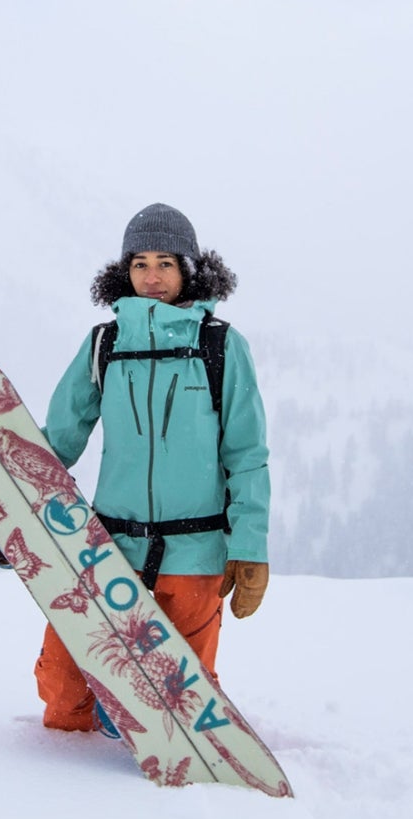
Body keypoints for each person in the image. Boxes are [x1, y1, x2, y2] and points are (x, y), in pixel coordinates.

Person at [28, 202, 272, 734]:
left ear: (190, 268)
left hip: (194, 552)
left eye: (165, 262)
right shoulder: (105, 344)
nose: (152, 276)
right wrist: (13, 513)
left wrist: (250, 546)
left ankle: (162, 798)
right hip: (106, 550)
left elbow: (247, 454)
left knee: (181, 712)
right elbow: (59, 442)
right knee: (65, 691)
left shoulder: (220, 346)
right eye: (140, 263)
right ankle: (61, 775)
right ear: (125, 271)